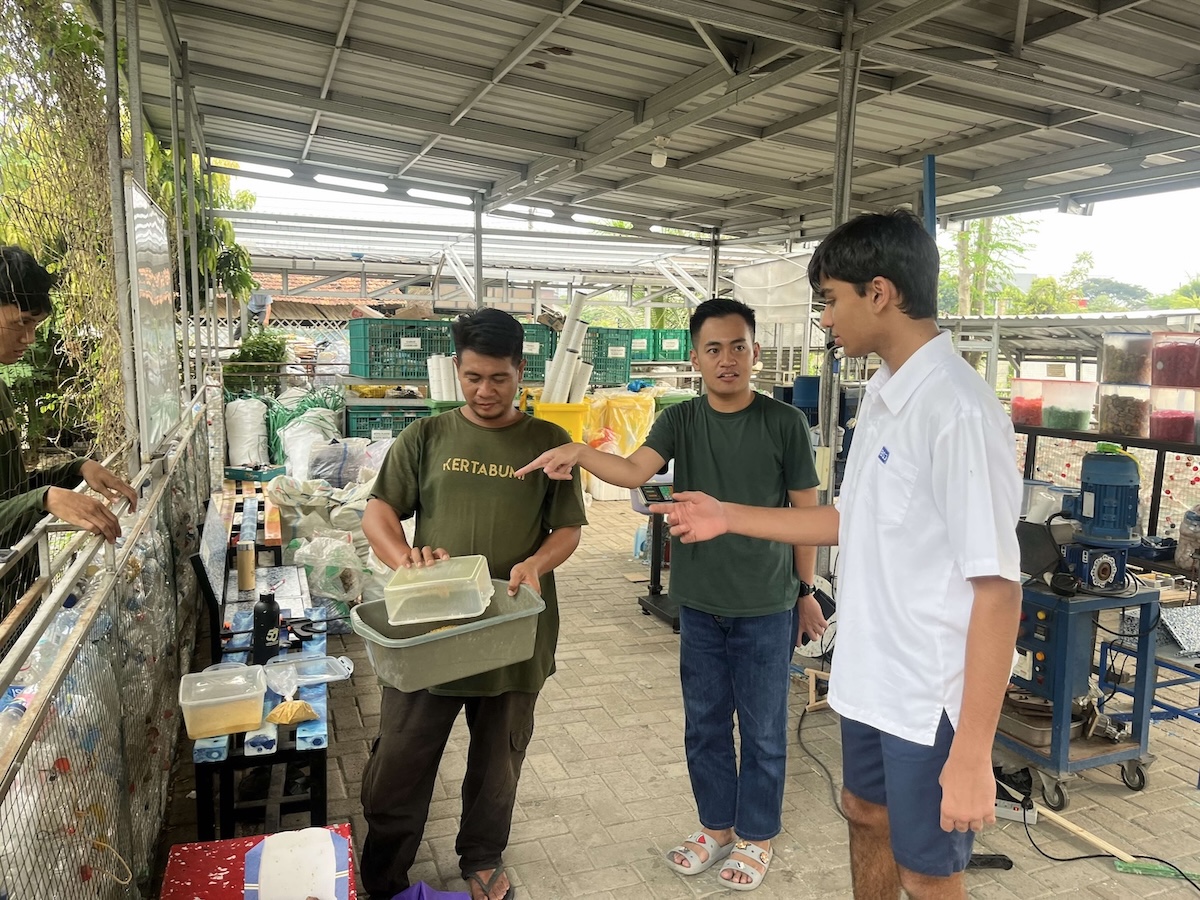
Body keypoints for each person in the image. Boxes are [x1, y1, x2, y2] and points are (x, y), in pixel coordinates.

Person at [652, 211, 1022, 900]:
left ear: (879, 293)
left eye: (829, 299)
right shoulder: (884, 393)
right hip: (871, 674)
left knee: (927, 872)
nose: (824, 319)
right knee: (864, 814)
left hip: (927, 695)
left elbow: (999, 591)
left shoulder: (956, 410)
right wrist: (727, 515)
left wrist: (974, 752)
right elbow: (848, 521)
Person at [517, 298, 823, 891]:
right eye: (714, 349)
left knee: (763, 729)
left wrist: (805, 591)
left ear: (756, 353)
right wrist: (580, 451)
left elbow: (807, 516)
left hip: (766, 605)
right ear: (696, 358)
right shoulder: (681, 420)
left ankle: (757, 836)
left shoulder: (784, 422)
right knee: (704, 724)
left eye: (738, 347)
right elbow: (634, 471)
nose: (727, 359)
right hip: (700, 603)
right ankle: (717, 827)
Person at [360, 308, 587, 900]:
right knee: (401, 760)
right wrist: (402, 557)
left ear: (521, 371)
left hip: (512, 627)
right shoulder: (427, 436)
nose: (485, 391)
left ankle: (482, 855)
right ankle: (383, 873)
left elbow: (567, 528)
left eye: (499, 378)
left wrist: (537, 564)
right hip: (430, 630)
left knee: (498, 761)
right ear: (456, 370)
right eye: (473, 378)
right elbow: (379, 510)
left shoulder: (548, 442)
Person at [0, 246, 138, 607]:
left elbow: (10, 491)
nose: (29, 338)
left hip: (17, 587)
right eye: (21, 323)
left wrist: (76, 469)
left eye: (35, 326)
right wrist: (44, 498)